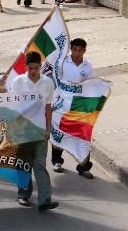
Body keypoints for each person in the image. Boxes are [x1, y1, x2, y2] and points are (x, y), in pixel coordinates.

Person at [11, 51, 59, 212]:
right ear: (26, 67)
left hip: (39, 130)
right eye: (30, 68)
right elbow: (14, 107)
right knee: (24, 165)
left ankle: (45, 200)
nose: (33, 71)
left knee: (40, 165)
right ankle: (23, 194)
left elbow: (48, 108)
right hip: (22, 131)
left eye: (36, 68)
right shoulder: (18, 82)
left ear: (40, 67)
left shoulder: (47, 83)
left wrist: (47, 129)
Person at [52, 38, 94, 178]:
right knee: (59, 132)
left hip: (78, 105)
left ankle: (83, 167)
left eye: (80, 50)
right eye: (74, 49)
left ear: (84, 51)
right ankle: (57, 161)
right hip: (62, 104)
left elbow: (89, 86)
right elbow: (56, 80)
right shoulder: (63, 62)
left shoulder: (87, 67)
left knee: (83, 134)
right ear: (71, 49)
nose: (77, 52)